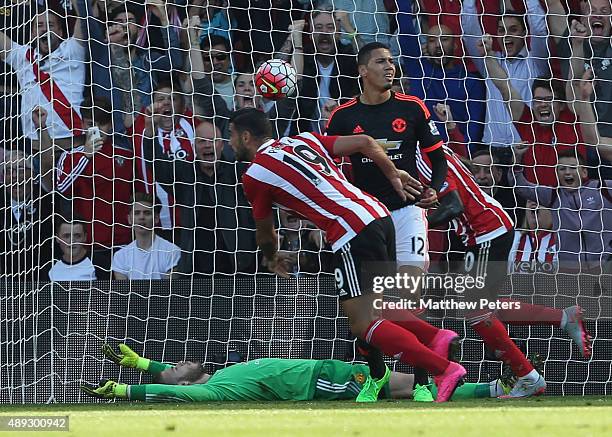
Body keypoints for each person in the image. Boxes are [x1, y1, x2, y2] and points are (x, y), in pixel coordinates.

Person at [228, 107, 466, 403]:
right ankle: (435, 339)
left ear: (246, 136)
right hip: (379, 215)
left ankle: (442, 367)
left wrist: (272, 256)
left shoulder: (255, 175)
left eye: (231, 135)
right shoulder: (303, 139)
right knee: (375, 309)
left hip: (350, 229)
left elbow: (265, 231)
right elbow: (365, 142)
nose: (230, 142)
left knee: (362, 322)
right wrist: (393, 174)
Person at [325, 42, 455, 390]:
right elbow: (332, 171)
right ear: (362, 71)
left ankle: (424, 383)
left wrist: (434, 188)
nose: (390, 67)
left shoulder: (412, 107)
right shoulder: (342, 117)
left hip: (407, 209)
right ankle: (378, 376)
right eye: (381, 62)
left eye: (392, 61)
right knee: (371, 305)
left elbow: (438, 159)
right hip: (366, 217)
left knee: (410, 297)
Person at [419, 145, 592, 398]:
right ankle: (563, 319)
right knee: (482, 307)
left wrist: (417, 217)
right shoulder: (433, 150)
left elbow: (453, 206)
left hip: (486, 229)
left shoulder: (421, 157)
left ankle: (529, 376)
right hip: (483, 231)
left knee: (475, 309)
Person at [81, 343, 507, 402]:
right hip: (321, 378)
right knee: (411, 388)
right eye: (173, 368)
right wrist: (125, 389)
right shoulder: (215, 394)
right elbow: (176, 391)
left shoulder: (218, 377)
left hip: (325, 371)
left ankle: (493, 389)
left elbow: (174, 378)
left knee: (416, 389)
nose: (174, 363)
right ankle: (492, 389)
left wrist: (142, 364)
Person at [145, 118, 257, 275]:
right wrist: (150, 133)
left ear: (222, 145)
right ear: (194, 148)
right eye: (201, 141)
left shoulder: (239, 173)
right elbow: (157, 165)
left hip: (238, 267)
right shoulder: (184, 174)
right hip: (196, 271)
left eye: (212, 140)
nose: (206, 145)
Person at [461, 0, 550, 148]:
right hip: (492, 148)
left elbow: (539, 29)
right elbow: (469, 29)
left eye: (513, 29)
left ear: (524, 33)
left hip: (525, 146)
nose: (506, 35)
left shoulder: (536, 62)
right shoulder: (488, 60)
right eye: (501, 30)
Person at [511, 150, 612, 274]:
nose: (567, 172)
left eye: (572, 167)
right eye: (562, 169)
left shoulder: (603, 189)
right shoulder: (553, 195)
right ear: (557, 173)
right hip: (569, 270)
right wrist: (517, 158)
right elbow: (520, 186)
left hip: (605, 265)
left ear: (584, 171)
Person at [0, 6, 86, 149]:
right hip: (37, 153)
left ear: (60, 32)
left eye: (50, 25)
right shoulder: (22, 56)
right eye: (39, 25)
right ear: (33, 33)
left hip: (73, 149)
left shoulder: (73, 49)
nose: (45, 29)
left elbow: (85, 15)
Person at [0, 150, 53, 281]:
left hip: (42, 280)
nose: (14, 176)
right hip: (5, 283)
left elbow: (47, 163)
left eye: (21, 169)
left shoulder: (45, 199)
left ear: (33, 174)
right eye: (8, 171)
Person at [112, 193, 181, 280]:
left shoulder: (172, 252)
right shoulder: (120, 256)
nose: (141, 217)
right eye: (137, 213)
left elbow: (169, 290)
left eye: (147, 213)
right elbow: (123, 292)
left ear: (156, 218)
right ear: (129, 219)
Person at [508, 200, 558, 274]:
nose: (533, 203)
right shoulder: (513, 239)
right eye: (529, 200)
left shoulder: (562, 242)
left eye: (538, 199)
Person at [49, 215, 97, 281]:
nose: (72, 241)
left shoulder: (99, 264)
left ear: (85, 237)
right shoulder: (49, 268)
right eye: (66, 236)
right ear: (57, 238)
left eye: (77, 236)